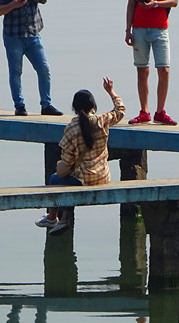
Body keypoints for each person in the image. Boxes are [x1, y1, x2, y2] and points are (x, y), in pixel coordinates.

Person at [35, 78, 125, 234]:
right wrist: (111, 91)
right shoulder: (102, 121)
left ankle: (53, 217)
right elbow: (120, 110)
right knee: (69, 182)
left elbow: (67, 161)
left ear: (74, 108)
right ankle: (63, 220)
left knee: (56, 179)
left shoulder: (71, 128)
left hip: (83, 180)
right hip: (103, 177)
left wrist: (60, 166)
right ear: (93, 106)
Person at [0, 0, 62, 117]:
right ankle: (19, 105)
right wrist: (12, 5)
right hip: (13, 36)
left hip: (33, 34)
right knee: (16, 71)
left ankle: (46, 105)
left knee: (44, 68)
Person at [125, 0, 178, 126]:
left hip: (160, 28)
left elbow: (174, 1)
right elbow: (131, 3)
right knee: (142, 71)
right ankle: (144, 111)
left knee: (164, 70)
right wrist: (127, 30)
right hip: (139, 29)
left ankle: (160, 111)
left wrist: (156, 3)